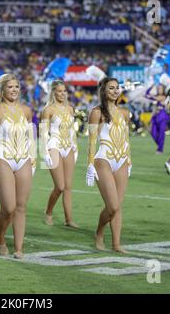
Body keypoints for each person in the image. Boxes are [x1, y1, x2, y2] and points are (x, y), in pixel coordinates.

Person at [0, 73, 36, 259]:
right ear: (2, 89)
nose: (14, 90)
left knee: (21, 206)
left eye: (16, 87)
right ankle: (0, 238)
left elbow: (31, 137)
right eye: (10, 87)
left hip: (23, 159)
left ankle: (19, 248)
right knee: (8, 207)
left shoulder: (26, 110)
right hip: (2, 158)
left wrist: (33, 160)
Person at [86, 77, 131, 253]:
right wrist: (89, 164)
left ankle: (116, 244)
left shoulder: (125, 113)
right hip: (103, 159)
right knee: (112, 205)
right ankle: (99, 232)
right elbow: (91, 141)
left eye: (117, 88)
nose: (115, 91)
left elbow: (127, 138)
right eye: (111, 88)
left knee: (118, 206)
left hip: (122, 161)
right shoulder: (97, 112)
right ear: (103, 91)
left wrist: (129, 160)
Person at [40, 80, 79, 228]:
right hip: (53, 146)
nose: (62, 94)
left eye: (64, 91)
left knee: (68, 186)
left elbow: (72, 130)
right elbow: (43, 134)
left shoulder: (70, 108)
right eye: (59, 91)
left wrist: (75, 147)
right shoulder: (48, 110)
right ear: (53, 92)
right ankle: (48, 212)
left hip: (68, 147)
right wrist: (45, 154)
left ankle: (69, 219)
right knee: (60, 186)